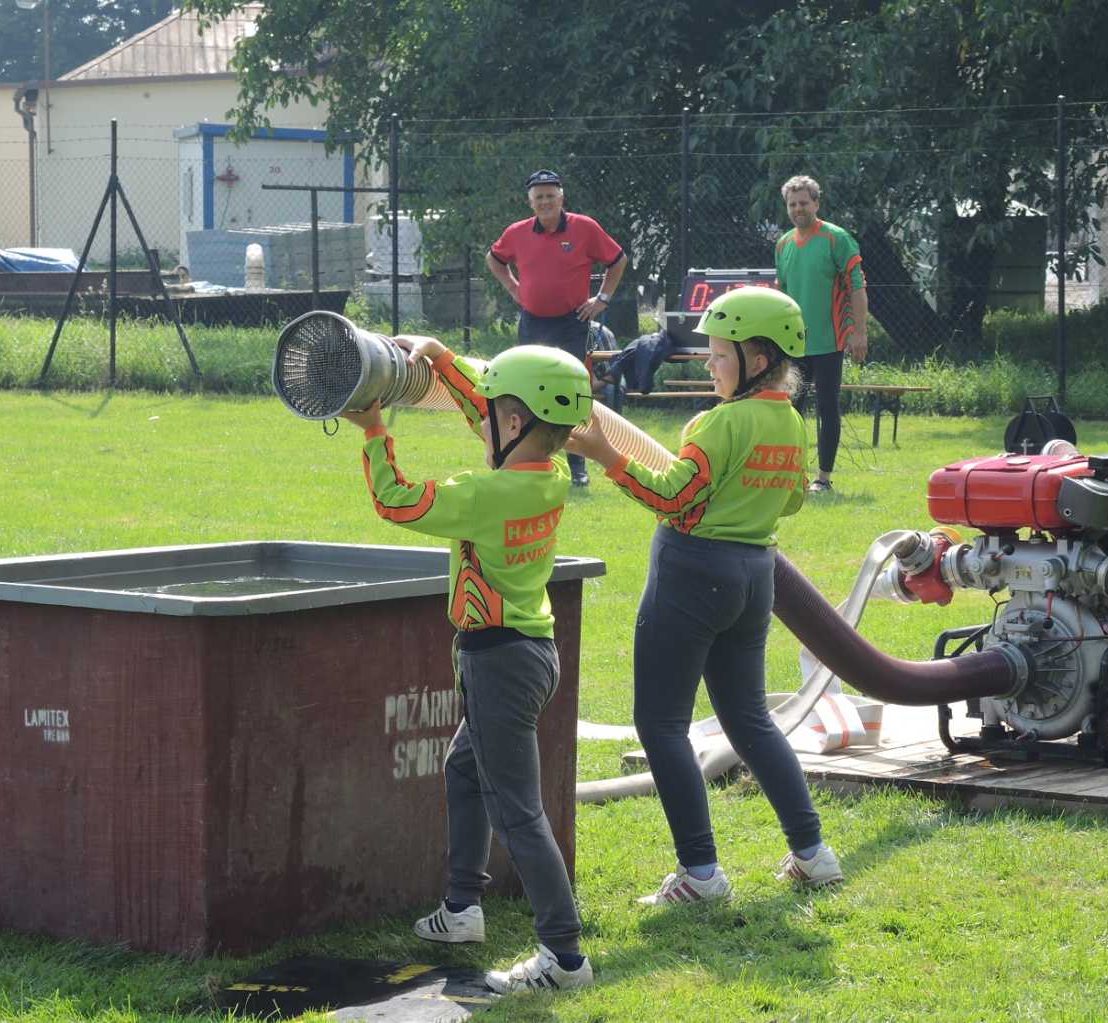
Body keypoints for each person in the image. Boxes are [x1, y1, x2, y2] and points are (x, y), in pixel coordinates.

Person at [567, 286, 844, 903]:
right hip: (755, 574)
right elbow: (793, 499)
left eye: (720, 354)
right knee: (749, 718)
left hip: (693, 571)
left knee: (660, 723)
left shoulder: (719, 422)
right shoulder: (790, 421)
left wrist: (603, 453)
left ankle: (700, 874)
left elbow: (671, 498)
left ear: (759, 357)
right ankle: (813, 854)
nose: (710, 365)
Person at [341, 340, 597, 992]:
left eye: (491, 415)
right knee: (464, 764)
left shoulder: (484, 494)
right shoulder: (551, 471)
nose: (480, 421)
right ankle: (461, 907)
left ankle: (563, 957)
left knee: (517, 811)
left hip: (496, 660)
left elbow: (395, 500)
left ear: (512, 425)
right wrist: (445, 360)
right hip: (533, 648)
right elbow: (490, 416)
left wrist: (375, 431)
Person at [488, 168, 630, 487]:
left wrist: (602, 299)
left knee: (571, 393)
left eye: (551, 195)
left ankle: (577, 465)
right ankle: (523, 460)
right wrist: (513, 288)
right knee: (525, 392)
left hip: (572, 323)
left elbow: (617, 260)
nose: (545, 201)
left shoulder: (585, 228)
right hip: (532, 323)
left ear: (561, 197)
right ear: (531, 202)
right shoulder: (517, 232)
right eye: (539, 197)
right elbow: (494, 259)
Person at [774, 175, 868, 495]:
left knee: (828, 408)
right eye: (792, 204)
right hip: (793, 342)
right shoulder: (783, 244)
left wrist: (859, 332)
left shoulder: (836, 238)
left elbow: (857, 286)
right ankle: (792, 475)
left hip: (830, 341)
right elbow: (783, 296)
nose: (798, 208)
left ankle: (823, 479)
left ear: (816, 203)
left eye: (804, 202)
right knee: (790, 410)